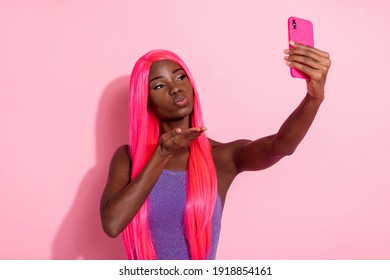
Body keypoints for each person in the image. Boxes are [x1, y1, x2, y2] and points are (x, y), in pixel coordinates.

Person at [100, 43, 331, 260]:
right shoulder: (128, 159)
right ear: (145, 100)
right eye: (159, 85)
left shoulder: (221, 157)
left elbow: (281, 146)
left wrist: (314, 98)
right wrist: (161, 155)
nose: (175, 88)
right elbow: (112, 224)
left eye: (181, 77)